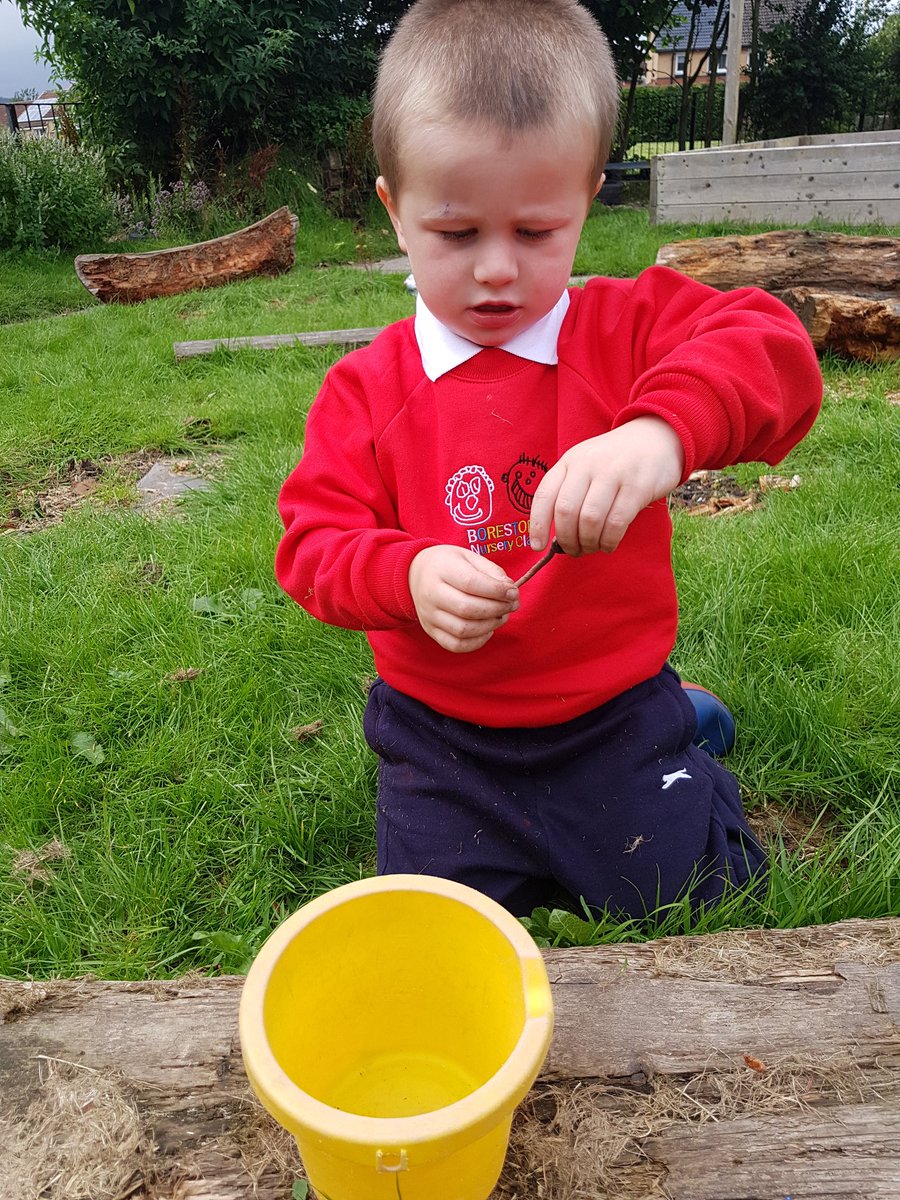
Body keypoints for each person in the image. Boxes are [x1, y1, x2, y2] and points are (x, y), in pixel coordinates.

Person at [275, 0, 823, 919]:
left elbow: (776, 349)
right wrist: (404, 574)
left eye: (536, 233)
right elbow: (313, 547)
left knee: (693, 900)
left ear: (587, 195)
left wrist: (659, 434)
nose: (498, 269)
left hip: (607, 712)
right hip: (440, 741)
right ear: (394, 211)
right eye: (457, 233)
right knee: (435, 939)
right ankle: (684, 717)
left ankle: (679, 735)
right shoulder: (364, 391)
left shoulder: (623, 327)